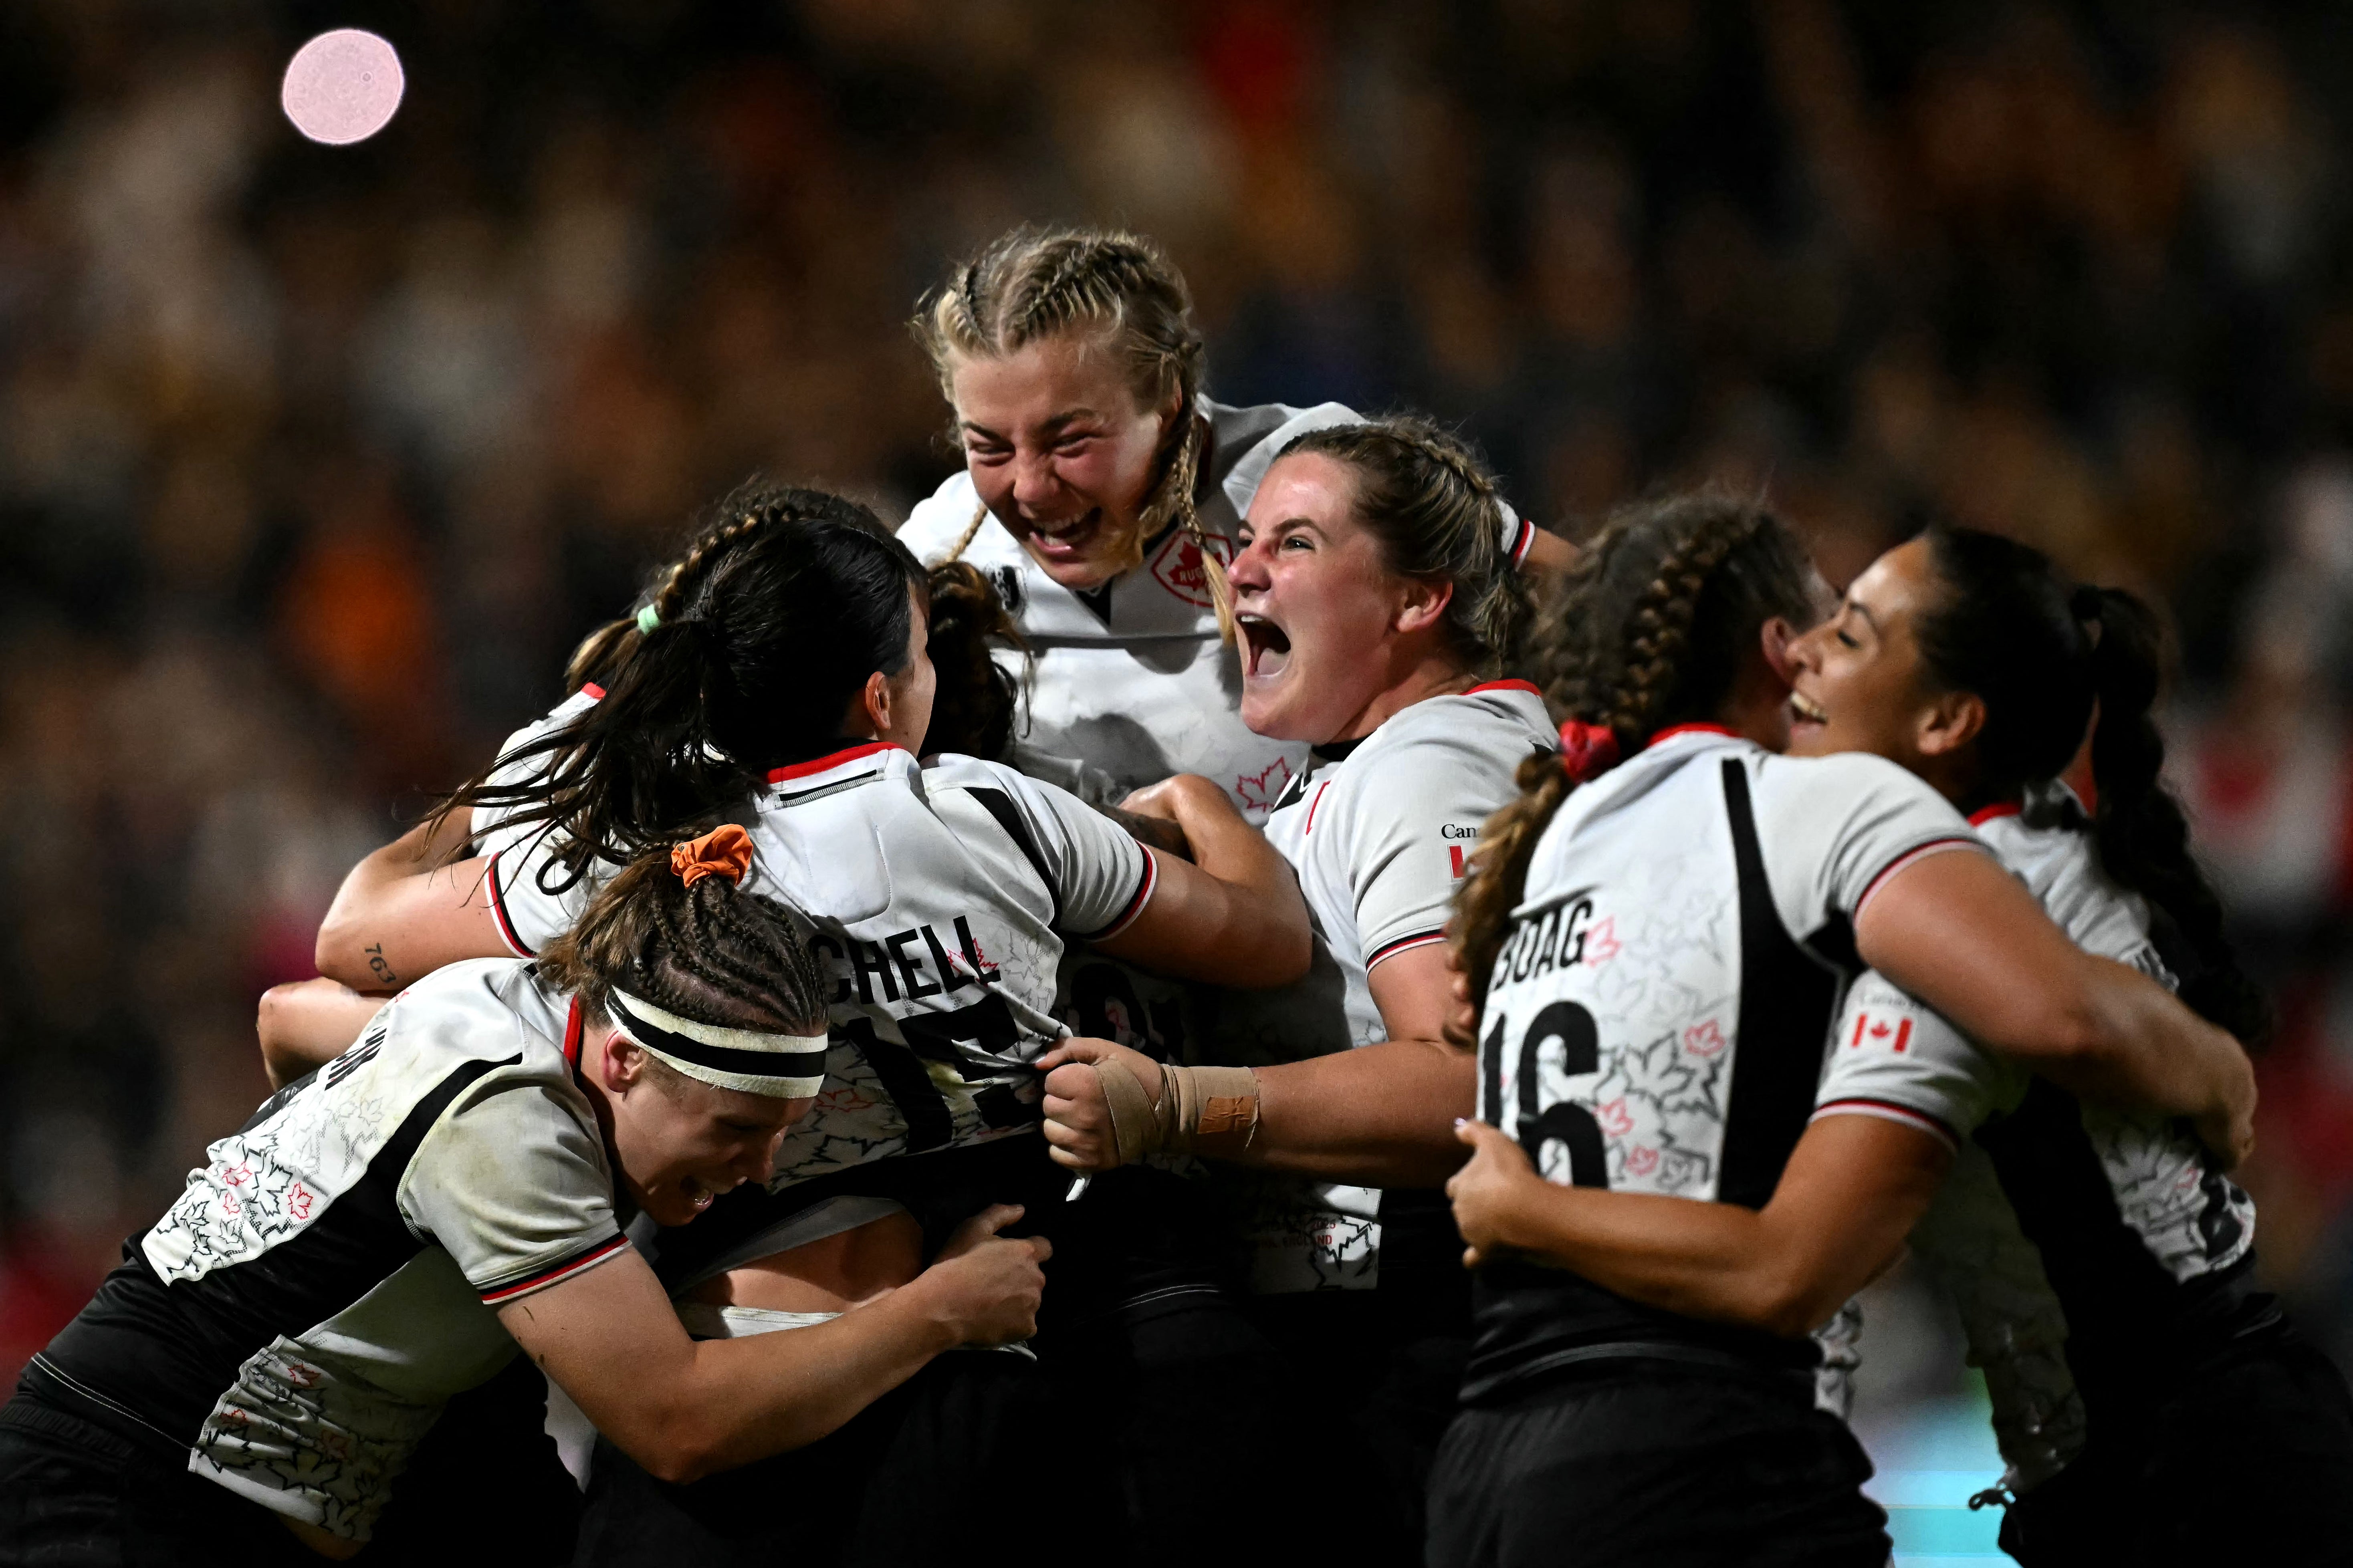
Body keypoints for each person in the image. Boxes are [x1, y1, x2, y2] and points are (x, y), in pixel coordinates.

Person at [1037, 491, 2250, 1566]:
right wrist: (2217, 1068)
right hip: (1711, 1443)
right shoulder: (1825, 814)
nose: (1823, 654)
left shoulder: (1554, 834)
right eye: (1830, 626)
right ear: (1776, 654)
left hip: (1494, 1451)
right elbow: (1816, 1237)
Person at [294, 481, 1319, 1562]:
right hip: (977, 1352)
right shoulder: (993, 815)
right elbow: (1269, 940)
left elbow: (347, 939)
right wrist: (1196, 800)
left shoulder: (630, 855)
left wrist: (549, 758)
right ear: (879, 698)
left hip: (734, 1364)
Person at [1447, 527, 2353, 1566]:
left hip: (2190, 1477)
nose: (1803, 654)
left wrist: (1530, 1209)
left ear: (1945, 720)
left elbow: (1798, 1260)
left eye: (1851, 635)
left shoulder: (1957, 917)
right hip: (2177, 1450)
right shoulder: (2007, 843)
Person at [0, 828, 1048, 1567]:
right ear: (627, 1063)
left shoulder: (506, 996)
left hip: (192, 1479)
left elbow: (288, 1016)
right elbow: (679, 1420)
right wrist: (938, 1312)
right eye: (735, 1131)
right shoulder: (512, 1124)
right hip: (123, 1485)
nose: (761, 1170)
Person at [1012, 416, 1543, 1562]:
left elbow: (1465, 1080)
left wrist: (1182, 1105)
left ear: (1419, 598)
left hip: (1424, 1323)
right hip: (1391, 1326)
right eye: (1244, 538)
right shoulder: (1386, 762)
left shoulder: (1428, 765)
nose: (1238, 568)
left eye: (1293, 542)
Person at [900, 224, 1571, 827]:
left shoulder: (1316, 475)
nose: (1029, 486)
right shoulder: (939, 555)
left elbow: (1584, 598)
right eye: (988, 447)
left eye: (1070, 441)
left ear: (1169, 401)